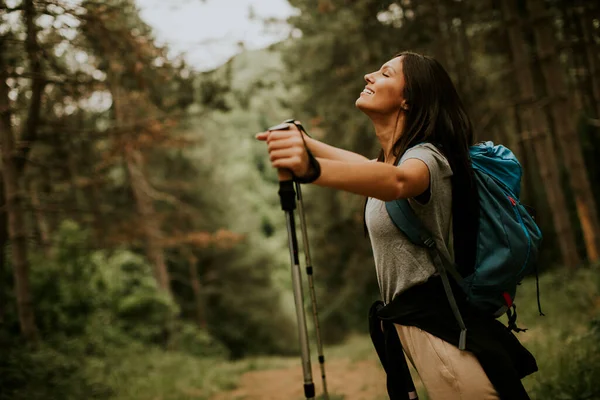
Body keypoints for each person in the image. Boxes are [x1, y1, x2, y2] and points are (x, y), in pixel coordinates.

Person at [256, 51, 536, 400]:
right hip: (425, 329)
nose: (368, 76)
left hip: (441, 332)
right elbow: (370, 169)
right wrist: (307, 143)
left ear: (408, 97)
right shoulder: (390, 160)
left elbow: (399, 182)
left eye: (385, 73)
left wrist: (312, 169)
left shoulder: (426, 158)